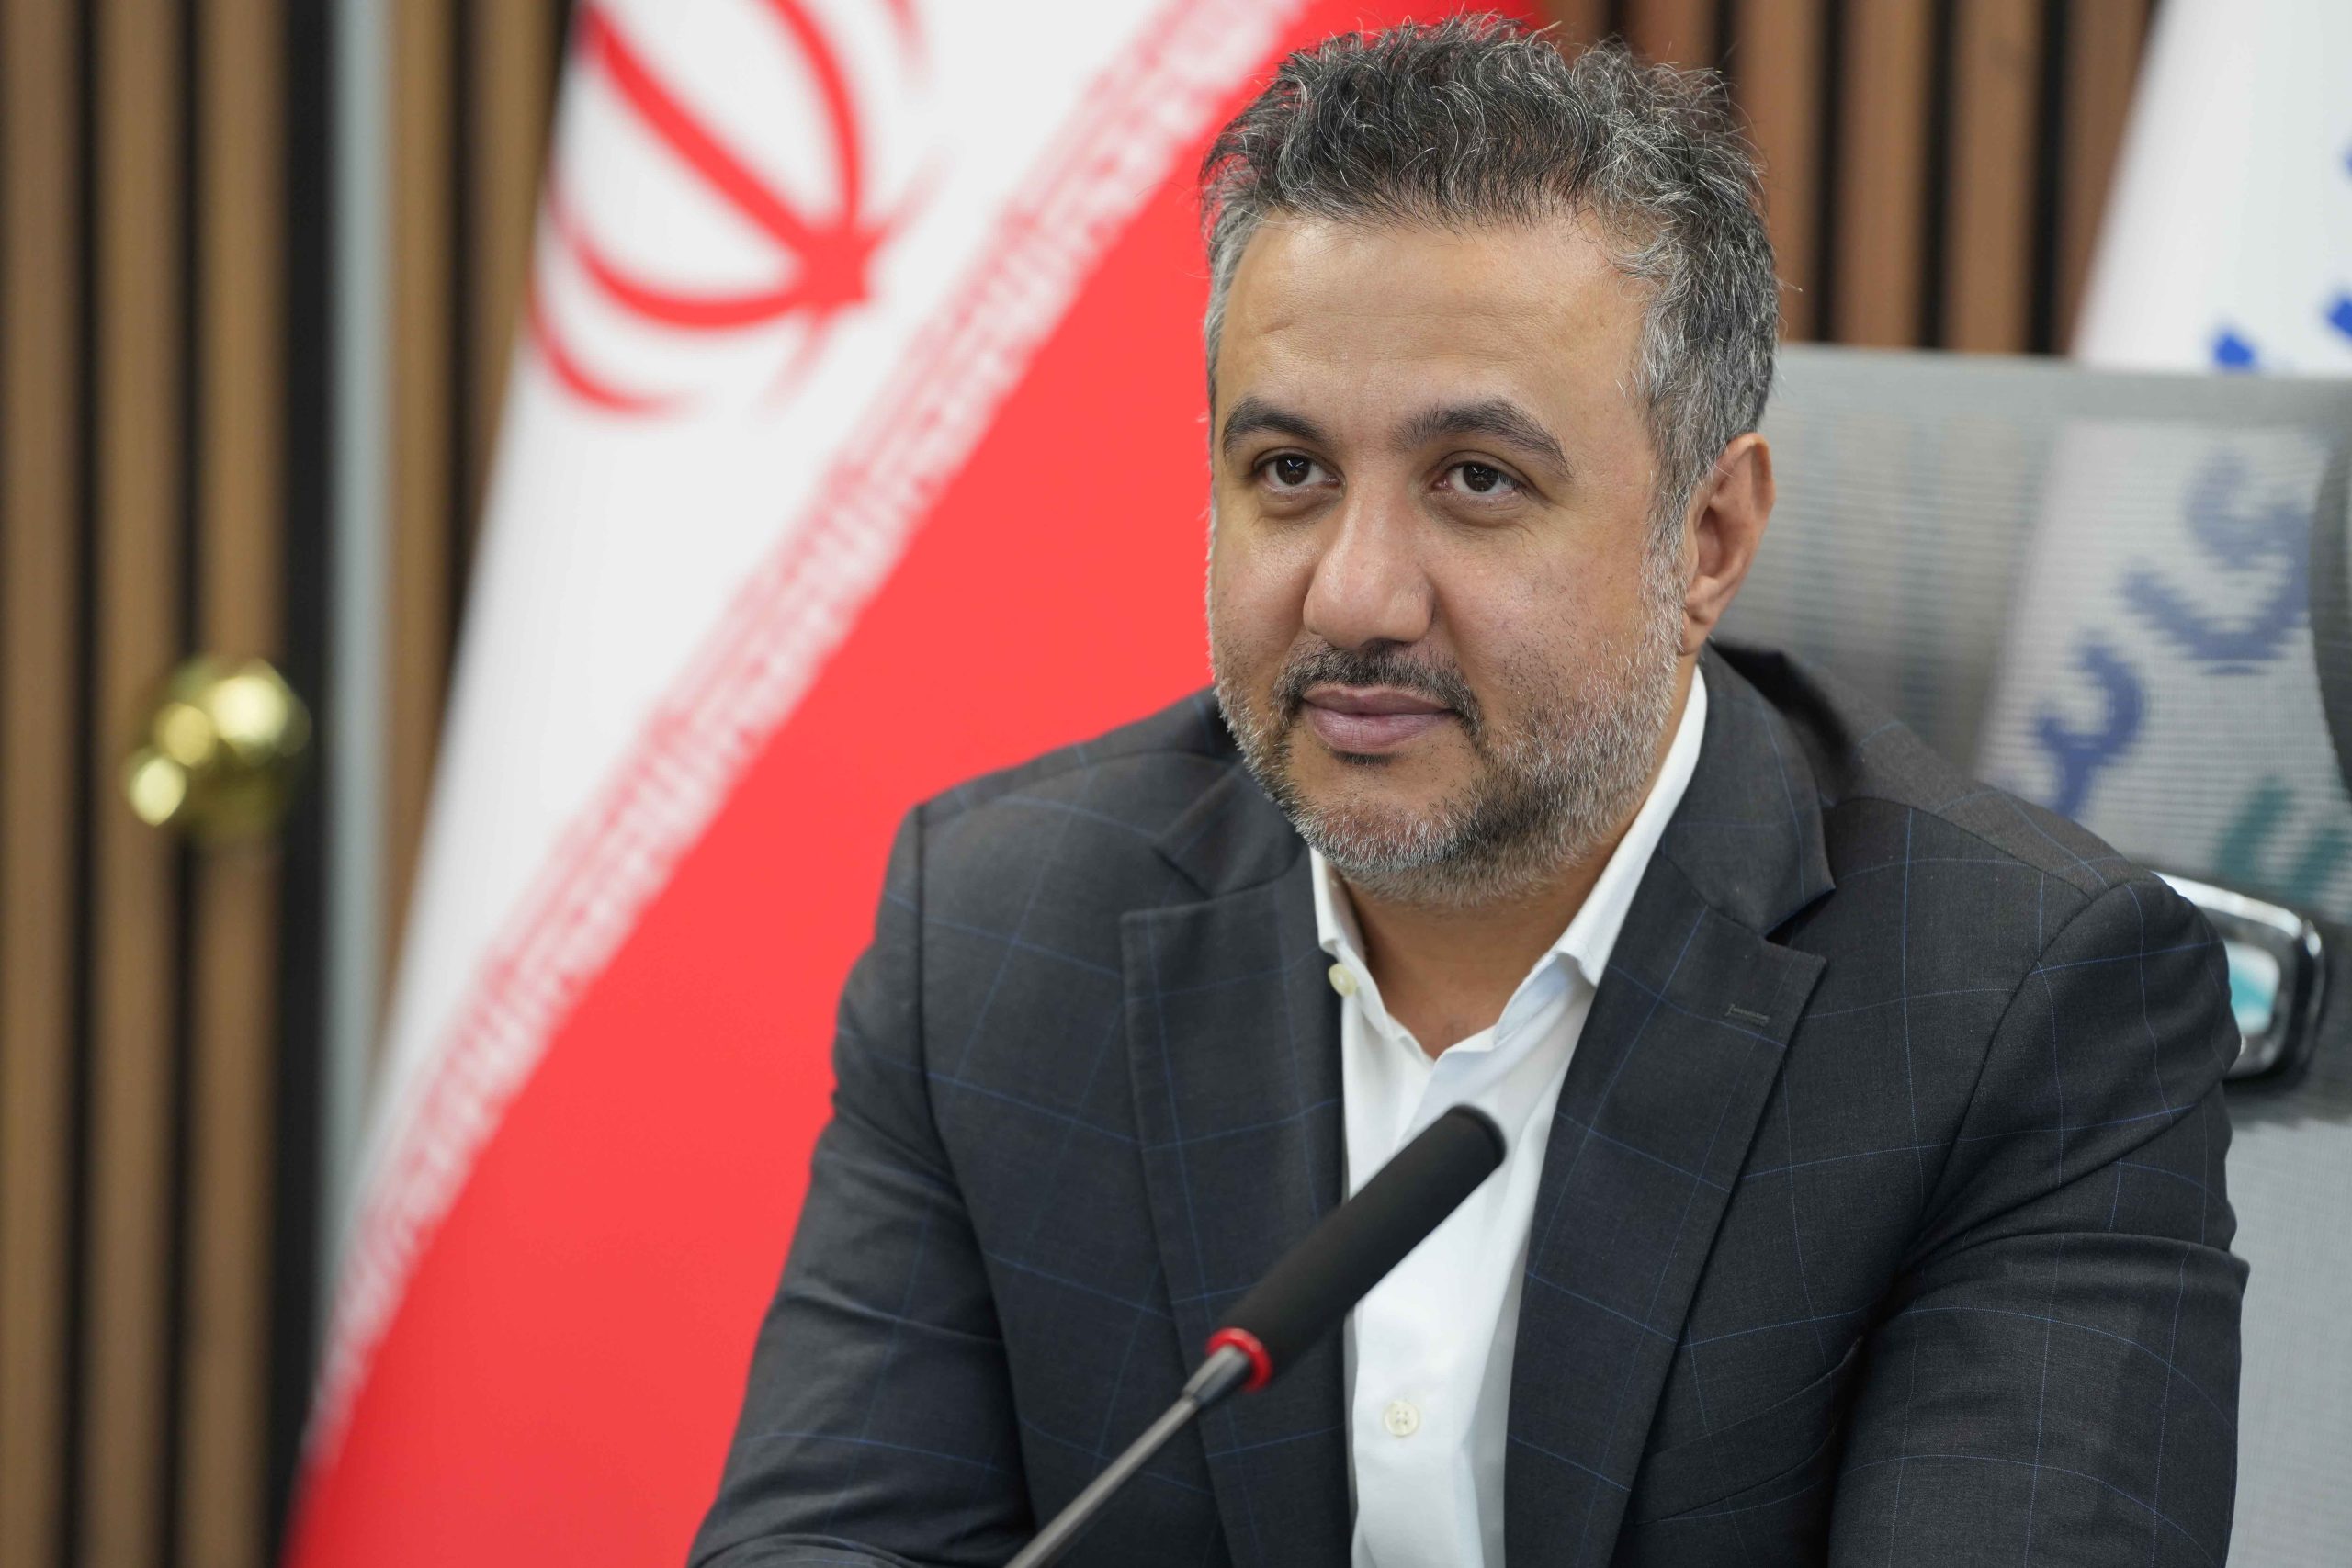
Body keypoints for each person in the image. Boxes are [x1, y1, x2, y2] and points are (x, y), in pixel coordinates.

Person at [689, 19, 2245, 1567]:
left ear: (1707, 538)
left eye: (1477, 480)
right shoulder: (1000, 932)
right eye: (1290, 472)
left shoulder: (2015, 1010)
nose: (1355, 596)